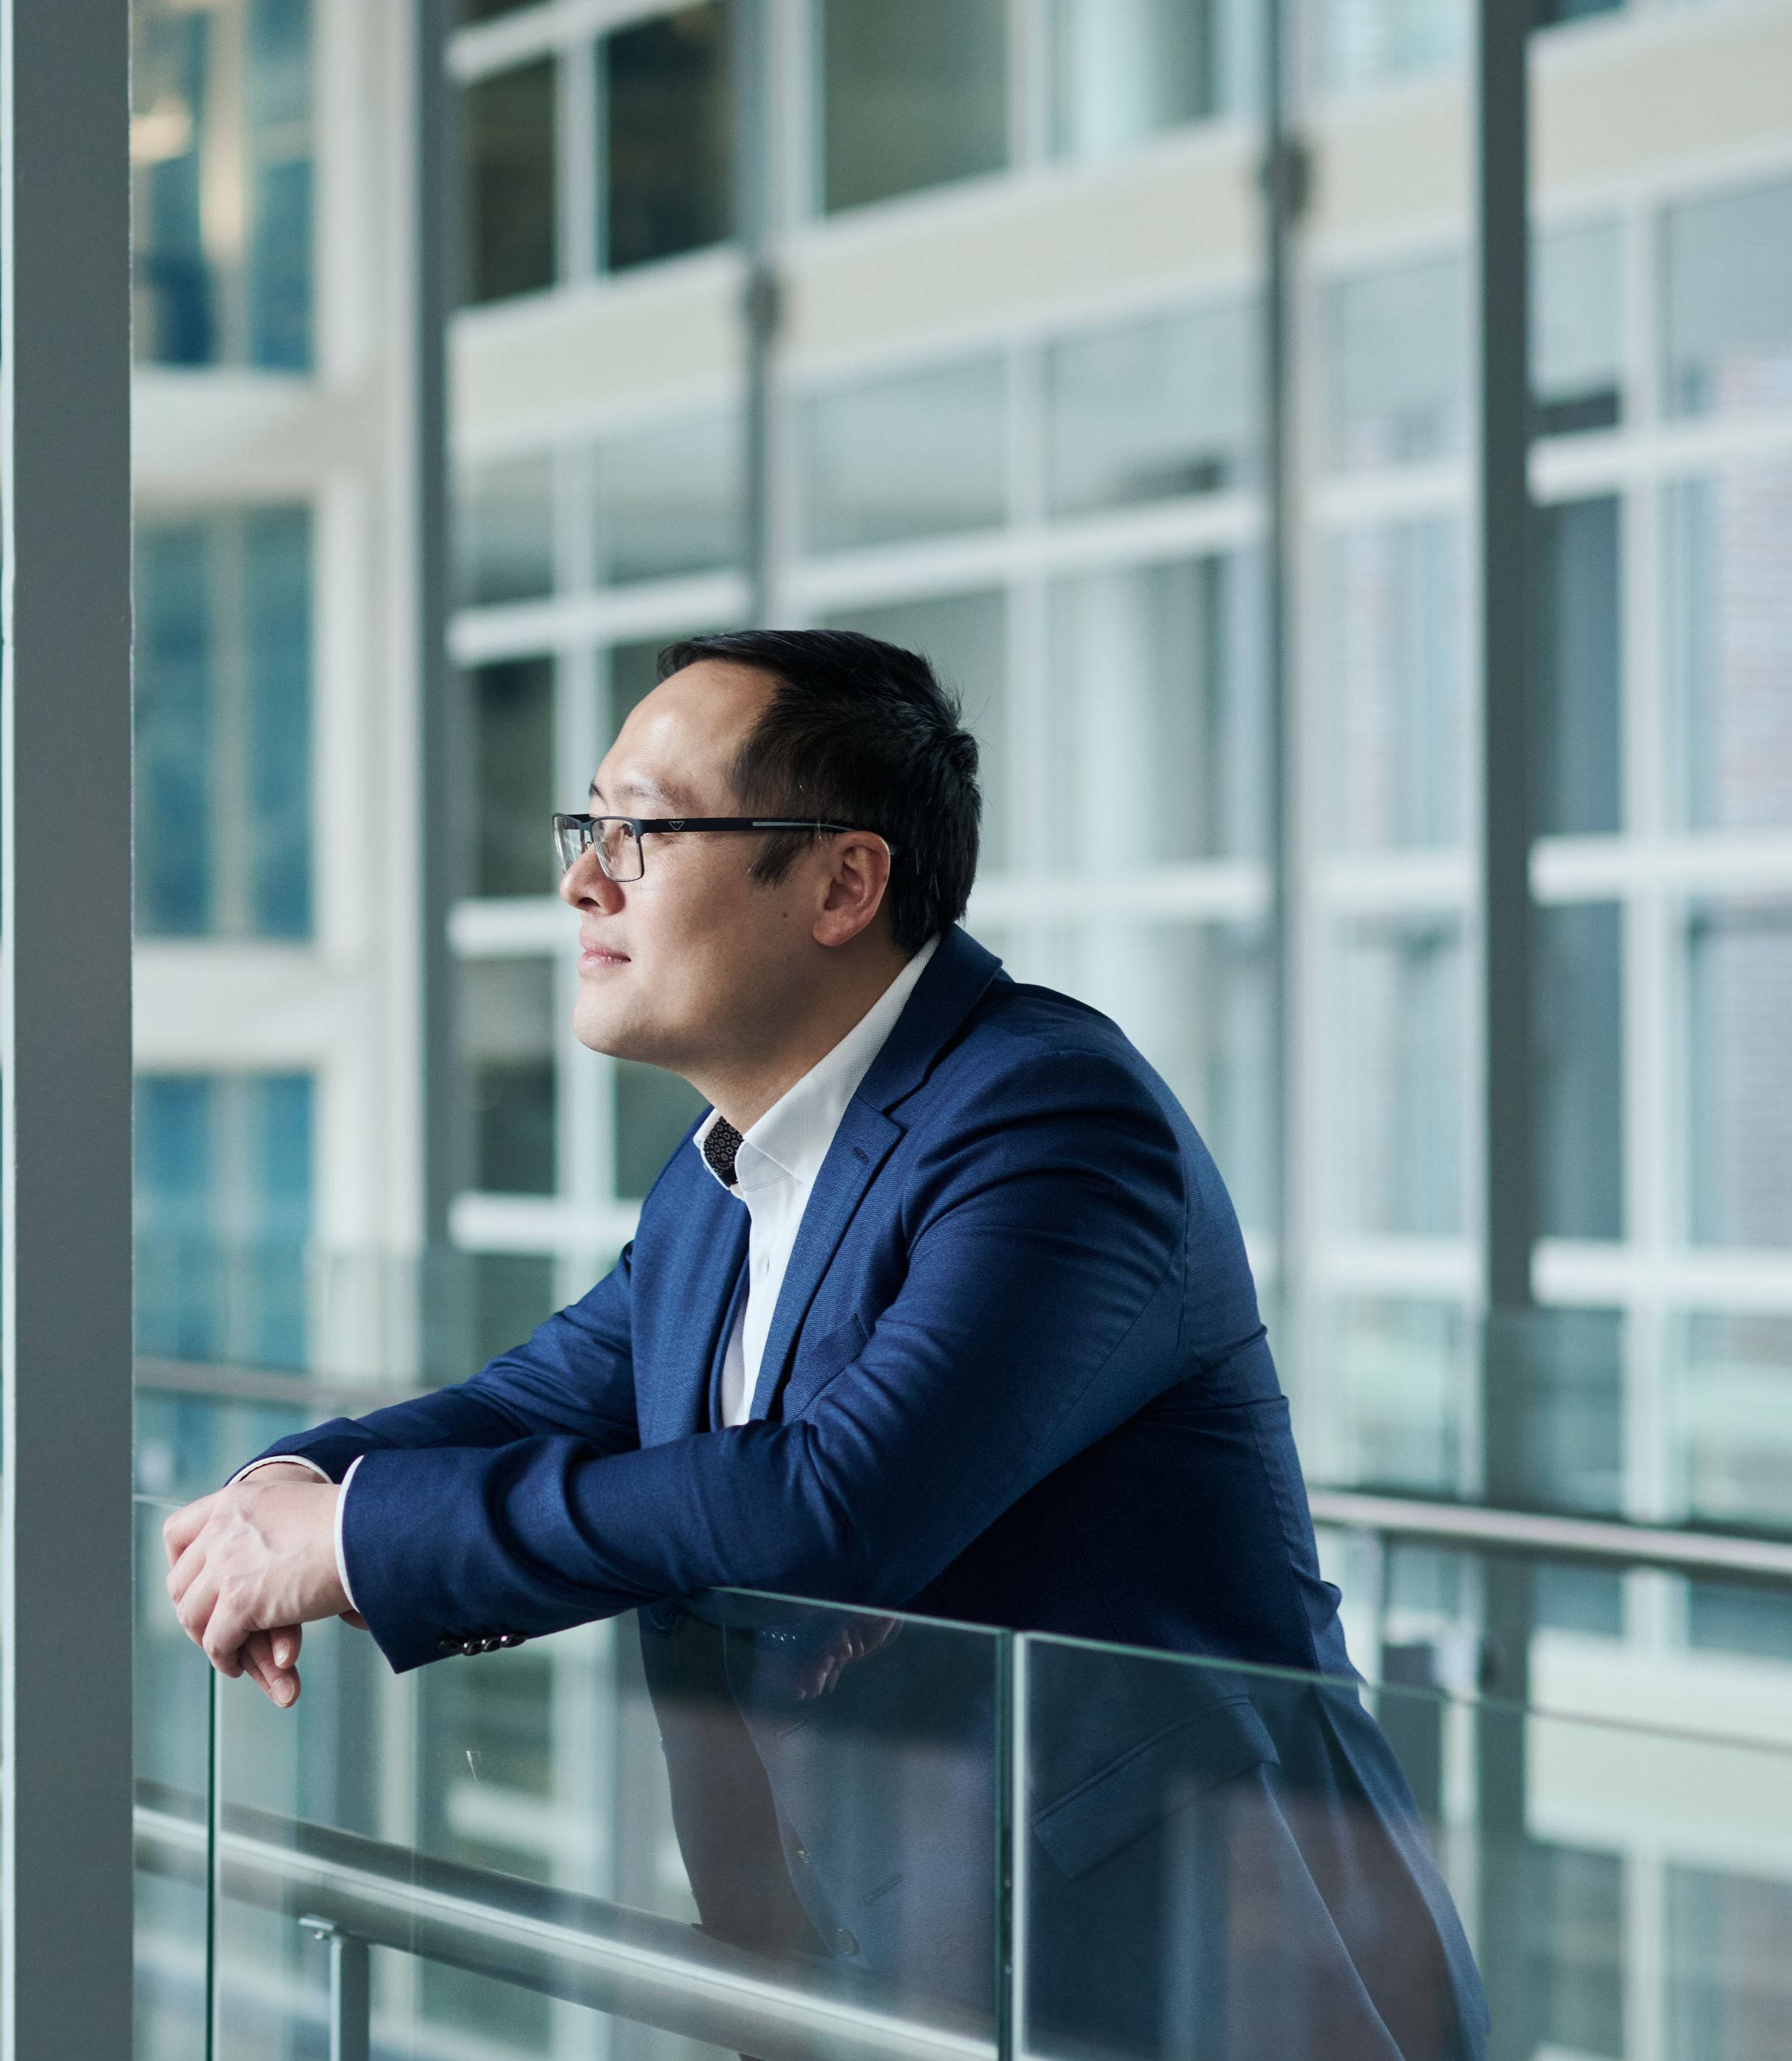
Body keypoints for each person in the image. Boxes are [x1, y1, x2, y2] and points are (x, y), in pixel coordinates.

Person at [162, 631, 1484, 2059]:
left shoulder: (1051, 1120)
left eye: (643, 830)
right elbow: (536, 1400)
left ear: (845, 882)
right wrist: (273, 1495)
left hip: (1198, 1986)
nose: (582, 878)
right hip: (889, 1980)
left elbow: (832, 1507)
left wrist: (352, 1543)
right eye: (587, 823)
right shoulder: (721, 1179)